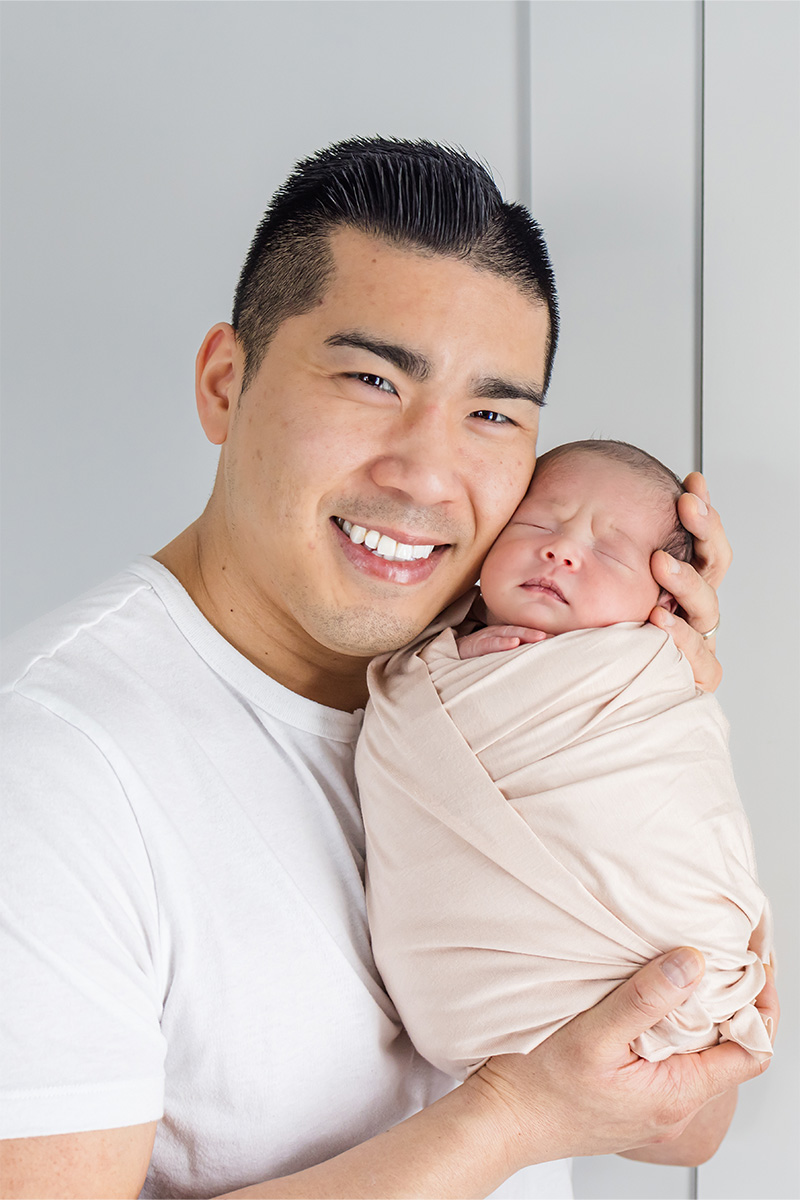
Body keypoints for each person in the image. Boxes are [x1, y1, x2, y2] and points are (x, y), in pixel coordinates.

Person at [0, 139, 774, 1200]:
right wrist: (513, 1115)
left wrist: (633, 718)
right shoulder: (52, 770)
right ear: (226, 385)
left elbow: (687, 1120)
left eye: (492, 414)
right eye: (371, 379)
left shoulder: (505, 686)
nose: (425, 472)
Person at [359, 438, 774, 1083]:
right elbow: (402, 714)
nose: (561, 549)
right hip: (467, 1005)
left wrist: (666, 659)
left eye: (608, 551)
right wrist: (442, 669)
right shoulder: (422, 663)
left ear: (668, 600)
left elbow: (688, 1134)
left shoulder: (650, 673)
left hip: (665, 975)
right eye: (535, 525)